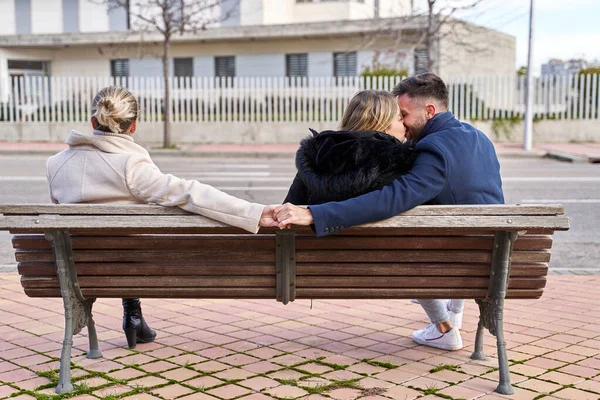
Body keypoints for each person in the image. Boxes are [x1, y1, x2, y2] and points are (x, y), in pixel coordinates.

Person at [273, 73, 504, 351]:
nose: (403, 123)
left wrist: (315, 214)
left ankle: (446, 325)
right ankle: (449, 317)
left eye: (404, 114)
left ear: (429, 111)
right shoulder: (479, 139)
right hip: (486, 259)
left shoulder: (432, 149)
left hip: (447, 261)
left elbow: (393, 198)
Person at [46, 86, 276, 349]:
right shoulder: (130, 167)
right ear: (133, 126)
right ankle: (132, 314)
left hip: (76, 270)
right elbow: (190, 193)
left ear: (92, 122)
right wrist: (255, 212)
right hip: (132, 268)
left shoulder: (54, 164)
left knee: (107, 243)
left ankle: (132, 316)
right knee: (127, 243)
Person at [284, 90, 415, 205]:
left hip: (318, 233)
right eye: (399, 118)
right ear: (381, 124)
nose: (404, 123)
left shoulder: (317, 155)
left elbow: (290, 206)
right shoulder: (398, 162)